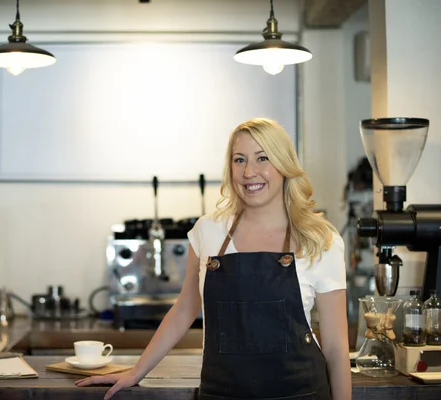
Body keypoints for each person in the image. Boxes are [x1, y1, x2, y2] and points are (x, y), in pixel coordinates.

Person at [76, 118, 351, 400]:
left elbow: (336, 348)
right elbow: (184, 309)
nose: (249, 171)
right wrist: (137, 371)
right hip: (222, 394)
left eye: (262, 158)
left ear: (284, 165)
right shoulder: (208, 231)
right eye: (239, 159)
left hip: (300, 393)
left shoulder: (319, 239)